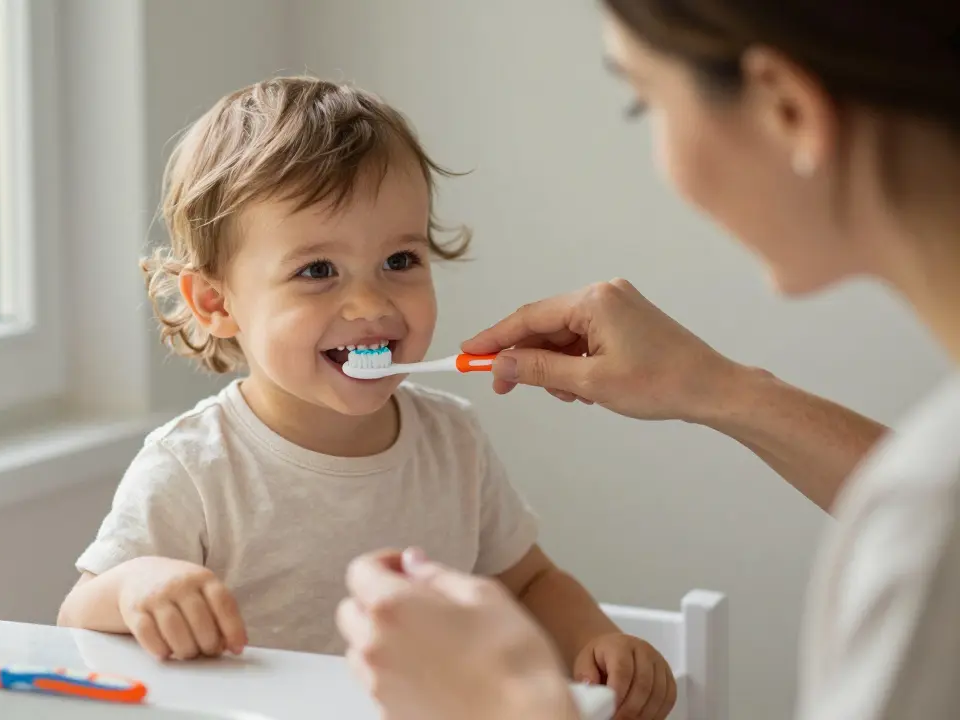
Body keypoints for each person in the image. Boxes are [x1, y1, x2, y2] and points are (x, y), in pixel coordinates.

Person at [337, 1, 960, 719]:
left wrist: (516, 709)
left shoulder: (931, 530)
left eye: (644, 103)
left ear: (787, 109)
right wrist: (724, 390)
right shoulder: (926, 508)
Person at [56, 76, 676, 719]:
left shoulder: (452, 442)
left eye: (400, 261)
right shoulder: (195, 467)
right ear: (215, 303)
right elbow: (77, 614)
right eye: (317, 271)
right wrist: (139, 585)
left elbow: (531, 581)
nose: (371, 304)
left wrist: (597, 638)